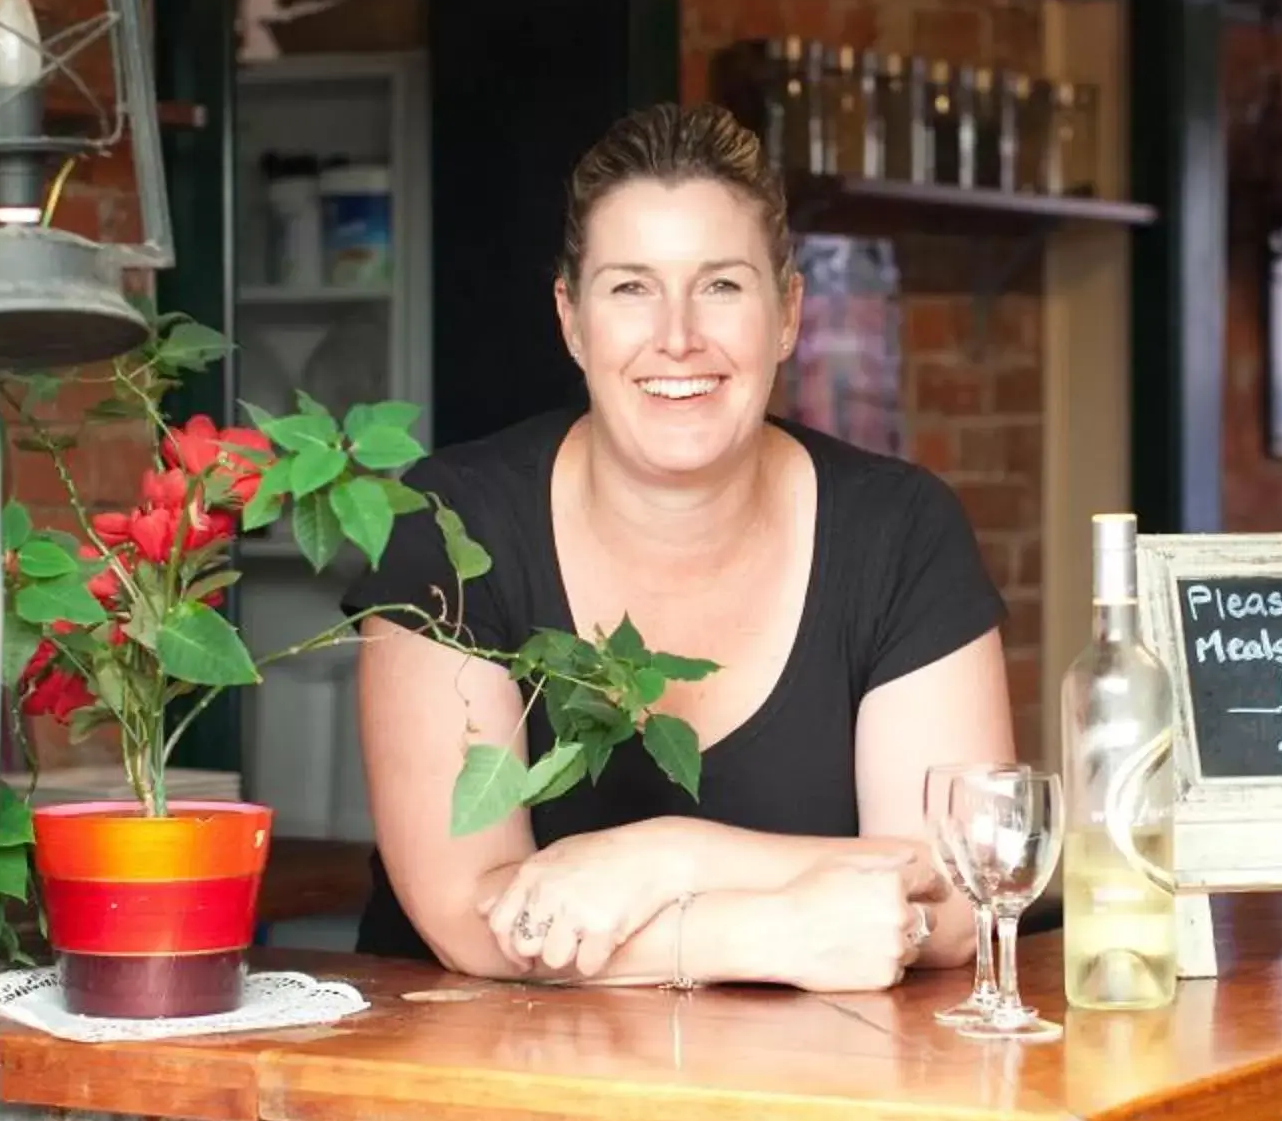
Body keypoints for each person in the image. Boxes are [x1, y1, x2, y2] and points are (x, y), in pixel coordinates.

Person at [346, 101, 1014, 991]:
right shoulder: (451, 526)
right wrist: (763, 935)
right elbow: (471, 914)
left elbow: (957, 897)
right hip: (479, 1093)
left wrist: (665, 858)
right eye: (630, 287)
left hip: (816, 1093)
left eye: (722, 286)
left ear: (787, 315)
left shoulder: (900, 532)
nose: (677, 337)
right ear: (571, 319)